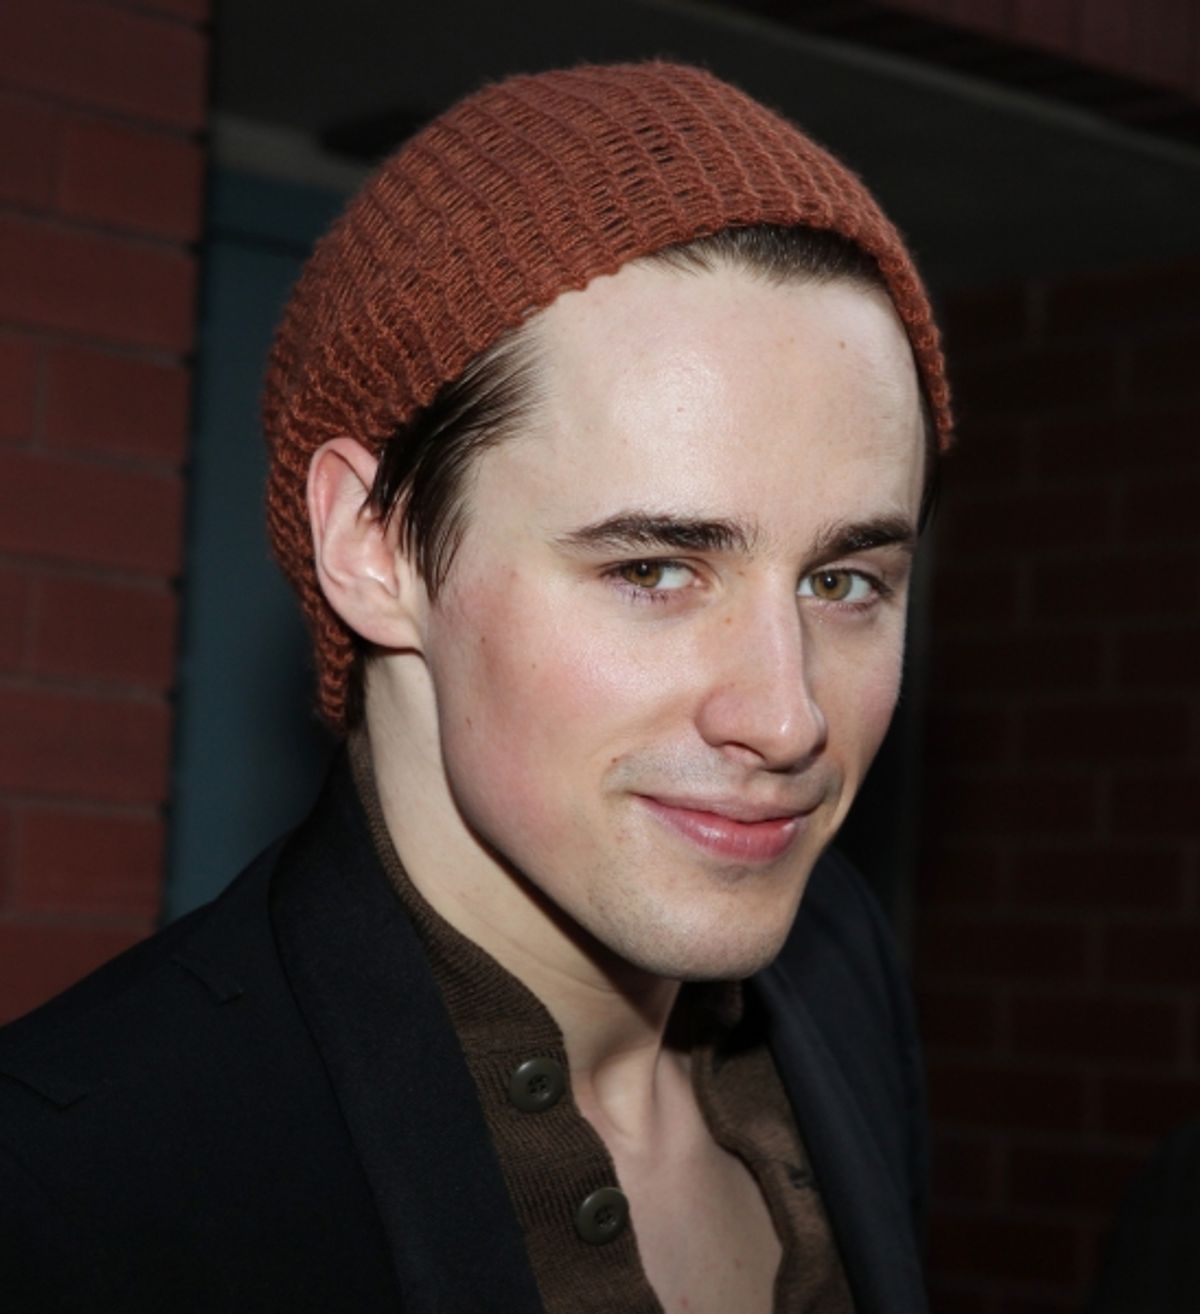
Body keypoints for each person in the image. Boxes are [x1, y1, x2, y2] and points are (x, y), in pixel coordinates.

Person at [0, 61, 951, 1313]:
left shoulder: (840, 970)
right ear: (373, 548)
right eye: (656, 568)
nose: (788, 717)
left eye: (844, 583)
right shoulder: (73, 1182)